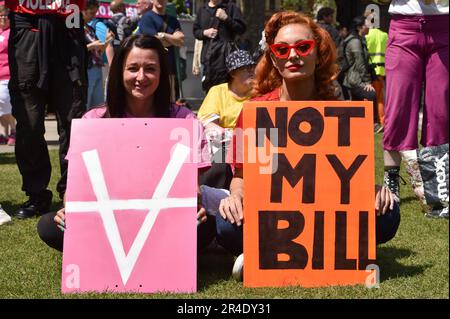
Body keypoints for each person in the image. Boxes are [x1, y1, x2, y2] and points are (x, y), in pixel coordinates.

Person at [219, 11, 400, 279]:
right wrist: (235, 196)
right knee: (226, 224)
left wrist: (373, 191)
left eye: (303, 47)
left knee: (387, 214)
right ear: (273, 58)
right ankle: (268, 248)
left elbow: (350, 180)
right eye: (282, 49)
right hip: (271, 216)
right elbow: (241, 176)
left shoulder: (340, 112)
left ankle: (287, 250)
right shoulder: (255, 112)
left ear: (319, 54)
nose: (293, 55)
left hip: (324, 218)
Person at [36, 35, 212, 252]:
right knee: (49, 226)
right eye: (133, 68)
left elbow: (191, 187)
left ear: (161, 74)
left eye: (150, 69)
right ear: (120, 72)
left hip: (163, 219)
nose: (141, 77)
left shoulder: (183, 120)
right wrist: (69, 209)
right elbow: (76, 185)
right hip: (107, 218)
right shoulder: (93, 120)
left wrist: (194, 208)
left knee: (205, 227)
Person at [6, 0, 87, 219]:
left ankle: (74, 191)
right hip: (27, 30)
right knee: (29, 122)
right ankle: (36, 194)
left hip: (69, 27)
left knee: (74, 122)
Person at [382, 0, 448, 204]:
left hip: (445, 26)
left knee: (441, 109)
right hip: (404, 27)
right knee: (398, 106)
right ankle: (391, 177)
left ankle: (437, 182)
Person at [197, 50, 256, 190]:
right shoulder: (218, 92)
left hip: (252, 142)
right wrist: (232, 136)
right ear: (233, 73)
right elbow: (209, 124)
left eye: (252, 67)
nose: (251, 71)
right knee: (219, 162)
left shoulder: (259, 93)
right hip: (224, 142)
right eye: (245, 68)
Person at [193, 0, 246, 93]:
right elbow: (195, 31)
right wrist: (204, 33)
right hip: (207, 60)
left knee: (226, 93)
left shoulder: (231, 7)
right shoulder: (202, 9)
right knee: (209, 93)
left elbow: (241, 29)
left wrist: (226, 18)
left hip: (226, 60)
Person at [137, 0, 185, 102]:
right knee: (151, 102)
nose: (161, 1)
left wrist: (164, 35)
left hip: (169, 69)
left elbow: (181, 40)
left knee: (169, 102)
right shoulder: (147, 18)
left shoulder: (173, 20)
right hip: (151, 69)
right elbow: (153, 41)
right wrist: (173, 39)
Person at [342, 16, 381, 132]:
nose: (369, 27)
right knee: (371, 94)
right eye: (366, 24)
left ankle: (357, 127)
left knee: (357, 102)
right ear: (359, 27)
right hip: (354, 79)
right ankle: (374, 124)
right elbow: (359, 63)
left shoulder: (359, 39)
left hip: (355, 78)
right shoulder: (355, 41)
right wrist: (366, 82)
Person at [84, 0, 113, 109]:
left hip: (96, 67)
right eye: (91, 13)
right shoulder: (76, 29)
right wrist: (92, 46)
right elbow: (75, 51)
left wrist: (107, 41)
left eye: (95, 13)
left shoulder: (90, 28)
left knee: (98, 105)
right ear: (83, 11)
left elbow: (99, 51)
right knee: (86, 103)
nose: (94, 16)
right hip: (86, 69)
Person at [365, 13, 388, 133]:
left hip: (370, 71)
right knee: (380, 99)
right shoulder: (385, 35)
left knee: (368, 99)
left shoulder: (367, 36)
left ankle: (371, 122)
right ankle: (382, 121)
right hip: (382, 71)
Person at [0, 3, 15, 146]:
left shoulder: (12, 33)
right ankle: (4, 133)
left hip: (7, 74)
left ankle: (14, 130)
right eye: (1, 16)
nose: (3, 18)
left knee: (4, 102)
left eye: (6, 16)